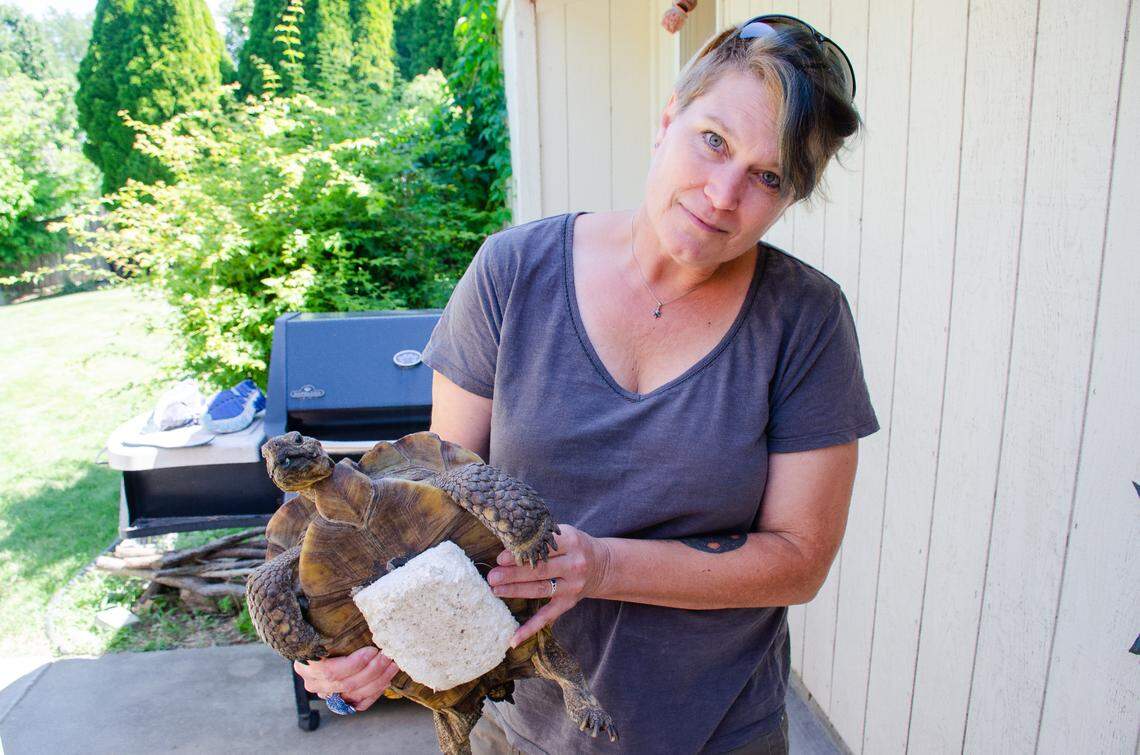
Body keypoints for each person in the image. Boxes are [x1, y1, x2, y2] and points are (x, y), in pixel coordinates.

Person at [294, 14, 876, 754]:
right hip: (525, 725)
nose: (725, 193)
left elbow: (799, 558)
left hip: (720, 731)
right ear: (669, 118)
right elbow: (429, 511)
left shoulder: (807, 320)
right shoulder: (513, 273)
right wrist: (352, 646)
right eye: (714, 141)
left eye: (768, 177)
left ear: (791, 197)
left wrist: (599, 564)